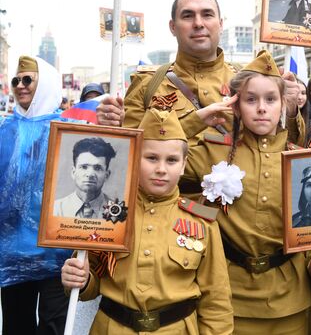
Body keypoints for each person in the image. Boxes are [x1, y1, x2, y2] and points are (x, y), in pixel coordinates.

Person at [181, 50, 311, 334]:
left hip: (289, 298)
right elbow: (149, 156)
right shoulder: (214, 151)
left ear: (283, 107)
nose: (261, 108)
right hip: (228, 295)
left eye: (270, 99)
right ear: (236, 107)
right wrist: (197, 119)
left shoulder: (303, 161)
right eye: (251, 100)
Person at [61, 108, 233, 334]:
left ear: (183, 165)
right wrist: (80, 280)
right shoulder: (105, 214)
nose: (161, 169)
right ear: (134, 158)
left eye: (172, 160)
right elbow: (90, 281)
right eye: (151, 158)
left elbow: (216, 302)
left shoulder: (202, 223)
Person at [97, 0, 302, 148]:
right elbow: (128, 152)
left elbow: (285, 147)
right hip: (172, 195)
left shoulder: (248, 80)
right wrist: (111, 125)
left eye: (207, 15)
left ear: (220, 24)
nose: (198, 23)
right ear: (172, 27)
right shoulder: (147, 84)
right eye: (188, 16)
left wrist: (291, 110)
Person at [0, 55, 73, 334]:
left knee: (54, 328)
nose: (20, 85)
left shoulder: (69, 131)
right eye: (16, 80)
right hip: (13, 251)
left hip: (57, 251)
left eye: (28, 79)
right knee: (16, 327)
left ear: (47, 85)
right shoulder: (4, 130)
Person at [53, 137, 116, 219]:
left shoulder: (117, 212)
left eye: (97, 168)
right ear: (73, 172)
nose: (90, 174)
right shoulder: (55, 209)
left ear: (106, 175)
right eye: (84, 167)